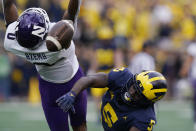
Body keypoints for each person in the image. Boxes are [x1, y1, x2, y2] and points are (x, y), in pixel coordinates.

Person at [2, 0, 87, 131]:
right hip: (74, 80)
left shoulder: (11, 42)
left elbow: (7, 6)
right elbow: (71, 13)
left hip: (48, 86)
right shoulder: (57, 41)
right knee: (80, 125)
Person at [56, 67, 168, 131]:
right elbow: (90, 80)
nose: (131, 92)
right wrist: (72, 94)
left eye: (137, 94)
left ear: (146, 101)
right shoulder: (123, 76)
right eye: (134, 86)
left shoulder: (144, 118)